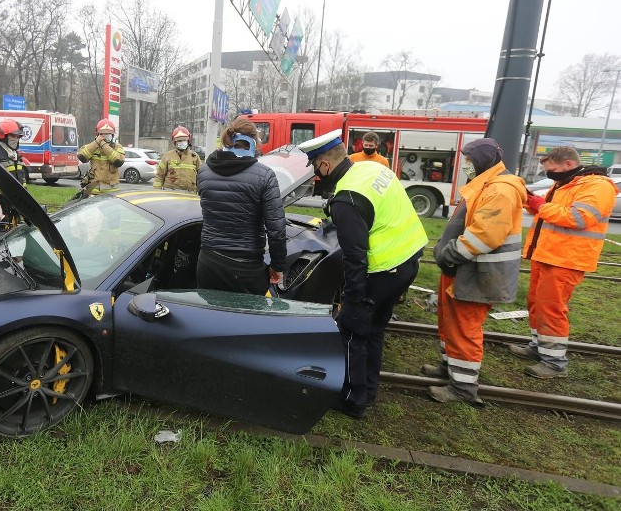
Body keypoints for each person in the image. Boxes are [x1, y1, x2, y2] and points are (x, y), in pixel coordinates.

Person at [299, 130, 426, 418]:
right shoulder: (372, 169)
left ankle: (354, 400)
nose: (318, 175)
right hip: (407, 261)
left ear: (325, 165)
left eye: (316, 168)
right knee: (375, 329)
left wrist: (353, 298)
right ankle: (368, 390)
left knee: (353, 331)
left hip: (381, 270)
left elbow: (355, 257)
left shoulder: (347, 199)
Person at [422, 138, 527, 405]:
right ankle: (450, 368)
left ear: (482, 160)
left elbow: (485, 236)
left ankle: (463, 388)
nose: (465, 165)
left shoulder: (500, 191)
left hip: (477, 272)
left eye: (469, 160)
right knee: (449, 323)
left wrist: (450, 254)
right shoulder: (486, 185)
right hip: (464, 270)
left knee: (464, 328)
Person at [510, 146, 618, 378]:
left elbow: (578, 218)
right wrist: (529, 199)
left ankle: (554, 362)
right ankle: (539, 347)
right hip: (548, 254)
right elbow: (549, 211)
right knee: (536, 303)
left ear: (569, 164)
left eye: (553, 169)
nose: (550, 174)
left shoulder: (596, 186)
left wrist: (539, 205)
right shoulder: (566, 183)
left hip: (566, 258)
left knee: (551, 309)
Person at [197, 117, 286, 295]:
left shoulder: (204, 171)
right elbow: (276, 229)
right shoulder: (265, 175)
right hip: (246, 267)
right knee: (246, 321)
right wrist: (277, 266)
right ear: (254, 143)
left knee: (209, 319)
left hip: (208, 262)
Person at [0, 119, 26, 223]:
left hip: (16, 207)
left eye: (18, 136)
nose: (16, 139)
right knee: (0, 236)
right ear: (3, 136)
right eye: (13, 136)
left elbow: (22, 181)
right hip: (1, 209)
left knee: (15, 237)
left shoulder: (15, 155)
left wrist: (26, 203)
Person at [77, 118, 125, 194]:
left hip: (111, 193)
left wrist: (103, 145)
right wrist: (96, 143)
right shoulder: (92, 146)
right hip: (93, 191)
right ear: (97, 134)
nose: (105, 136)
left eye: (108, 134)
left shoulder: (117, 147)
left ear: (112, 135)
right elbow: (82, 157)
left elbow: (118, 162)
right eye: (102, 133)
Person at [153, 126, 202, 191]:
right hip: (170, 193)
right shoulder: (168, 156)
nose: (182, 142)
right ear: (175, 142)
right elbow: (159, 175)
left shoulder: (194, 157)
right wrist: (157, 191)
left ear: (188, 140)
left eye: (184, 140)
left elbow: (202, 177)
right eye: (179, 140)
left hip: (189, 194)